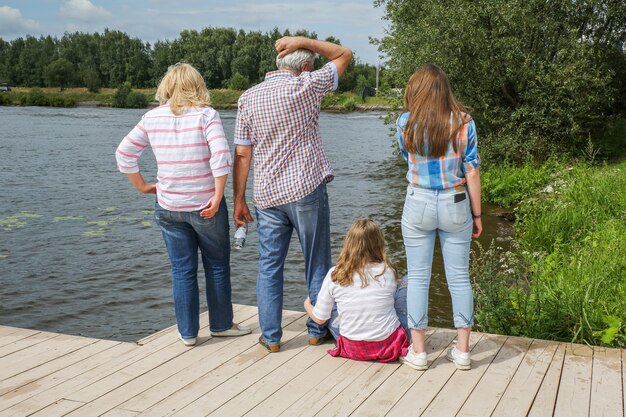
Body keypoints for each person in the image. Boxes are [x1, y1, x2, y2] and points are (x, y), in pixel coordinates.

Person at [115, 63, 251, 347]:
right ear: (197, 86)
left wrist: (141, 186)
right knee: (216, 267)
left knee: (182, 270)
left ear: (167, 86)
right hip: (205, 206)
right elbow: (221, 155)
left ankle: (188, 333)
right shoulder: (206, 115)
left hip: (168, 207)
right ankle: (221, 324)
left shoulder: (152, 118)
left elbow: (125, 152)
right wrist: (217, 195)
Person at [232, 36, 352, 352]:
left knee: (269, 266)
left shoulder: (248, 98)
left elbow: (243, 154)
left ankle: (271, 337)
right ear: (305, 66)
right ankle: (316, 329)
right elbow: (344, 54)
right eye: (311, 63)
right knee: (316, 262)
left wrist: (239, 200)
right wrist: (303, 40)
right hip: (305, 190)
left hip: (267, 195)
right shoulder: (307, 86)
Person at [397, 64, 482, 370]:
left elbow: (407, 158)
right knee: (459, 277)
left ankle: (418, 353)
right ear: (445, 89)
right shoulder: (464, 122)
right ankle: (462, 350)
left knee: (418, 277)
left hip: (418, 201)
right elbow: (471, 171)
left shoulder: (405, 122)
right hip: (455, 202)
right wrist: (478, 214)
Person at [304, 219, 410, 362]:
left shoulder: (335, 274)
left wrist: (307, 304)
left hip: (353, 348)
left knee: (332, 309)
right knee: (408, 281)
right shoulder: (387, 270)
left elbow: (320, 318)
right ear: (379, 243)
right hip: (388, 345)